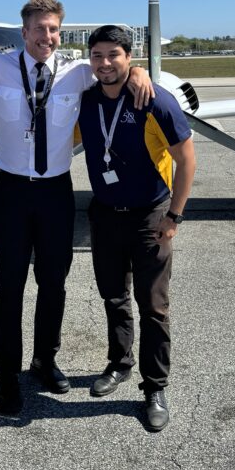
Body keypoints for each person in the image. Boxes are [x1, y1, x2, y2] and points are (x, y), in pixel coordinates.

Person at [0, 0, 153, 414]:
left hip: (56, 193)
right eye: (39, 29)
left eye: (53, 29)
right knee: (9, 287)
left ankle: (45, 360)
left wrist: (138, 71)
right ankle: (7, 376)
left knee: (53, 283)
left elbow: (114, 68)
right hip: (11, 191)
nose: (47, 36)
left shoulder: (78, 71)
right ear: (24, 31)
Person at [78, 25, 195, 432]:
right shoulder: (86, 101)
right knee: (113, 296)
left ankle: (155, 387)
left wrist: (174, 216)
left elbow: (187, 159)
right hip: (105, 214)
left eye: (114, 54)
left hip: (150, 217)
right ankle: (119, 363)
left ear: (130, 57)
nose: (105, 63)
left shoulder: (154, 100)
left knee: (153, 306)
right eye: (97, 55)